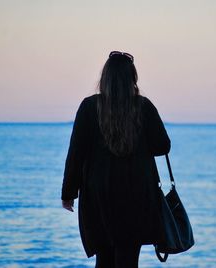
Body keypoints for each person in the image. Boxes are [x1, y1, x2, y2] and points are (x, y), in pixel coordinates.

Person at [61, 51, 171, 268]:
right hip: (137, 194)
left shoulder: (89, 107)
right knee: (129, 259)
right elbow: (162, 146)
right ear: (133, 79)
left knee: (104, 259)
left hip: (98, 196)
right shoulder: (143, 106)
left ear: (105, 79)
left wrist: (68, 194)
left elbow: (76, 154)